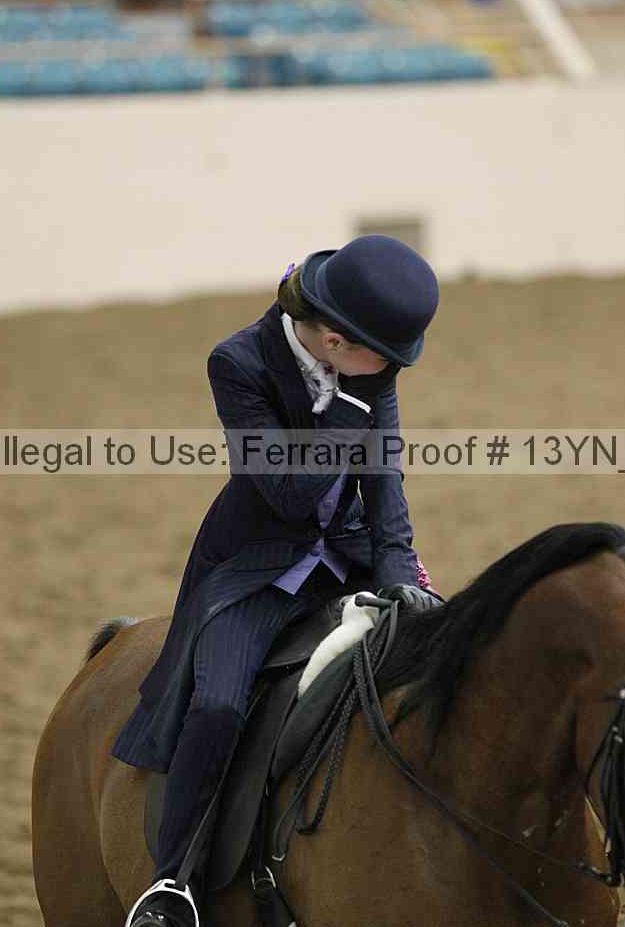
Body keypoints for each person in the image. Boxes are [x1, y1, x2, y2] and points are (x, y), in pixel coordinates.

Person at [114, 234, 443, 927]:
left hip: (351, 552)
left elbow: (384, 482)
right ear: (333, 340)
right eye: (384, 358)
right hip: (255, 566)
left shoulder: (368, 365)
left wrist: (397, 578)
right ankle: (172, 883)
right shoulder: (237, 362)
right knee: (218, 707)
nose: (391, 370)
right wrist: (350, 409)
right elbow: (288, 495)